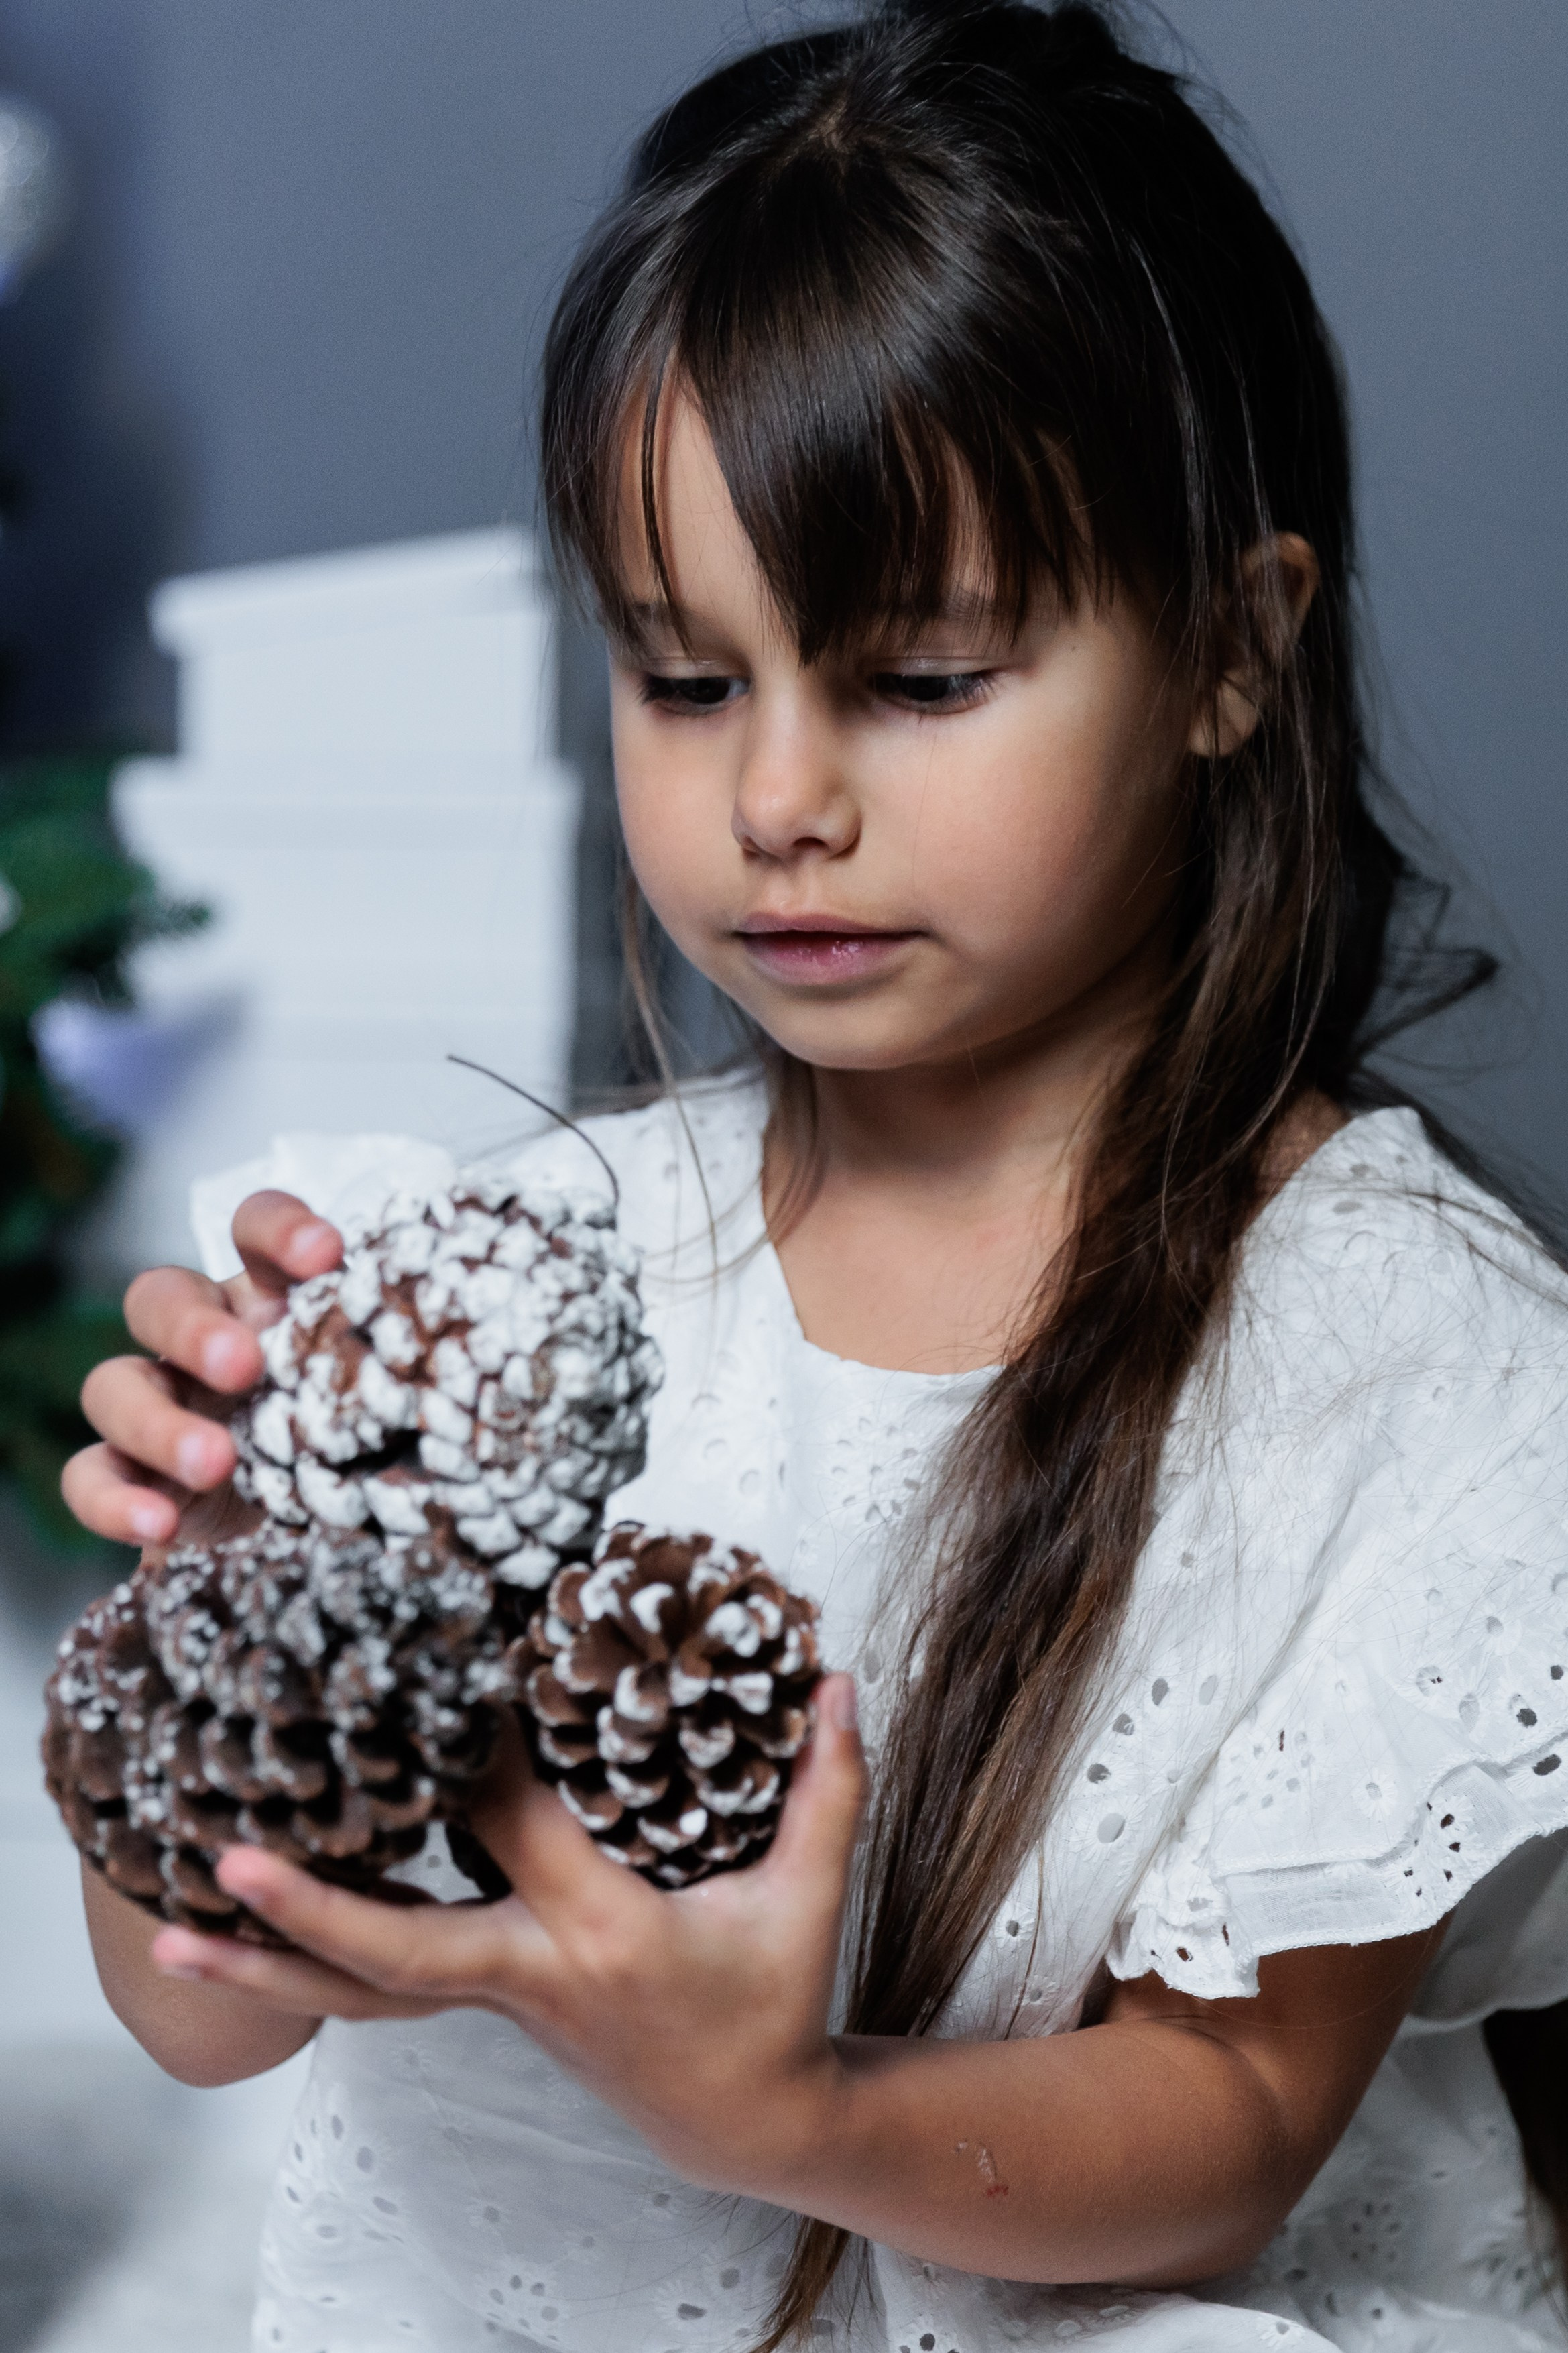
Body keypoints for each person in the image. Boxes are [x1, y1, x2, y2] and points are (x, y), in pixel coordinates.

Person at [58, 5, 1568, 2348]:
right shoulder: (548, 1268)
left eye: (920, 679)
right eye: (685, 678)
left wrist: (777, 2109)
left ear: (1229, 653)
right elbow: (207, 2018)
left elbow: (1226, 2133)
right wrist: (238, 1672)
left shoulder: (1399, 1364)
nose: (778, 797)